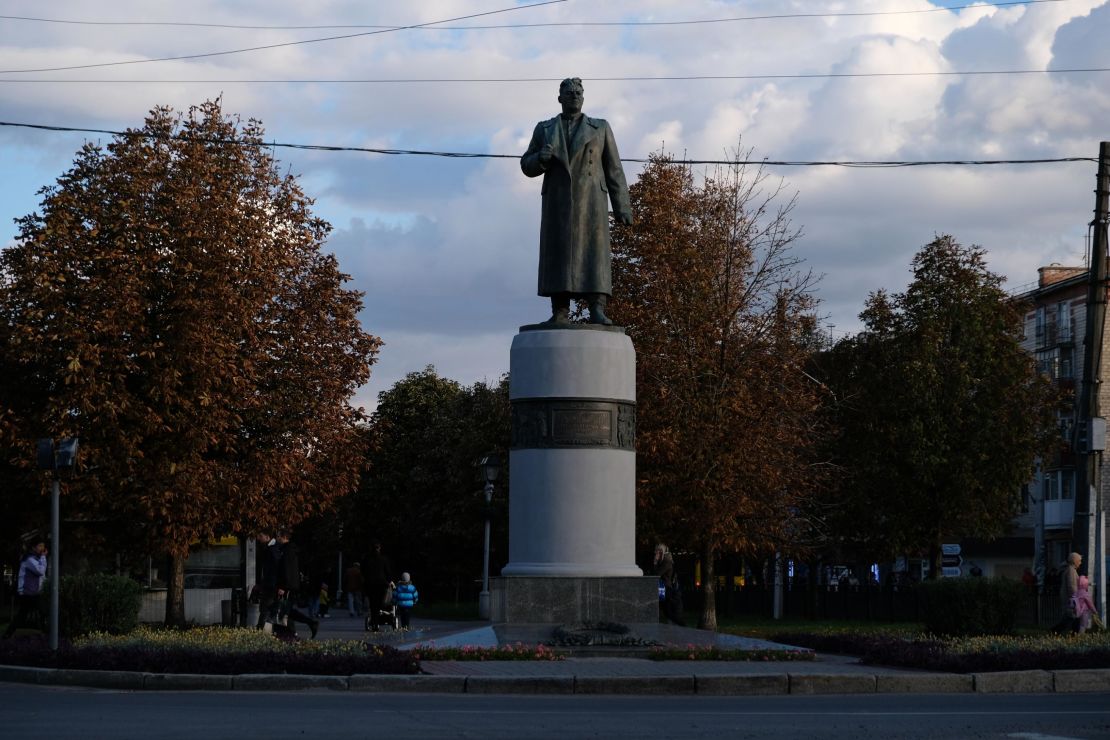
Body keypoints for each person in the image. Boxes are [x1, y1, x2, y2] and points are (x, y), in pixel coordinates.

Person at [521, 77, 633, 326]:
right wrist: (541, 157)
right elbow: (526, 165)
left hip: (591, 201)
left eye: (578, 92)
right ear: (559, 98)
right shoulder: (545, 128)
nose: (574, 95)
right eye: (569, 92)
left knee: (594, 253)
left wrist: (622, 206)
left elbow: (614, 169)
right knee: (558, 254)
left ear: (584, 97)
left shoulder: (600, 128)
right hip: (558, 203)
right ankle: (560, 311)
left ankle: (597, 309)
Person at [275, 529, 320, 639]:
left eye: (278, 536)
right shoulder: (291, 549)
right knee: (287, 610)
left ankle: (308, 624)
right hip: (291, 584)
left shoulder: (287, 550)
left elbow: (286, 570)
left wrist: (282, 586)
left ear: (284, 537)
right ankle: (293, 633)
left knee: (286, 610)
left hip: (288, 586)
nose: (277, 539)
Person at [3, 538, 48, 638]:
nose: (42, 548)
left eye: (43, 546)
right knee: (41, 611)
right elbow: (40, 571)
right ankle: (46, 634)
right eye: (40, 546)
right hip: (28, 592)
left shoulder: (36, 558)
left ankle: (8, 634)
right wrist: (43, 557)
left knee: (25, 614)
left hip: (32, 592)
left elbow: (41, 576)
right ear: (33, 547)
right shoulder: (29, 559)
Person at [362, 541, 392, 632]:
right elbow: (388, 572)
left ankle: (375, 623)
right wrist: (389, 581)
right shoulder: (384, 559)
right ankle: (379, 620)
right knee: (380, 604)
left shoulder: (367, 559)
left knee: (373, 605)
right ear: (379, 548)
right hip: (381, 584)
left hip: (370, 585)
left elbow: (363, 571)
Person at [254, 530, 281, 630]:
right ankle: (264, 628)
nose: (258, 538)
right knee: (267, 607)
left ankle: (262, 628)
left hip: (271, 584)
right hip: (269, 583)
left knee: (267, 606)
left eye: (261, 536)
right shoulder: (269, 548)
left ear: (267, 537)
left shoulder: (273, 549)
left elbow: (275, 568)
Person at [653, 543, 684, 626]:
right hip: (663, 588)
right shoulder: (663, 561)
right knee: (666, 610)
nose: (655, 553)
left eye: (657, 551)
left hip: (666, 589)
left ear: (661, 551)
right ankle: (672, 624)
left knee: (668, 610)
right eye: (655, 551)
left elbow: (657, 574)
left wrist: (655, 562)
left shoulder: (667, 562)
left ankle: (677, 625)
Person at [1055, 552, 1082, 633]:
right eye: (1079, 561)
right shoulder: (1071, 571)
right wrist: (1075, 599)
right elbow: (1072, 586)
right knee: (1071, 618)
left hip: (1070, 598)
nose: (1080, 563)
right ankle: (1055, 631)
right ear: (1074, 561)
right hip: (1071, 599)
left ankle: (1074, 633)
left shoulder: (1070, 569)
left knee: (1073, 618)